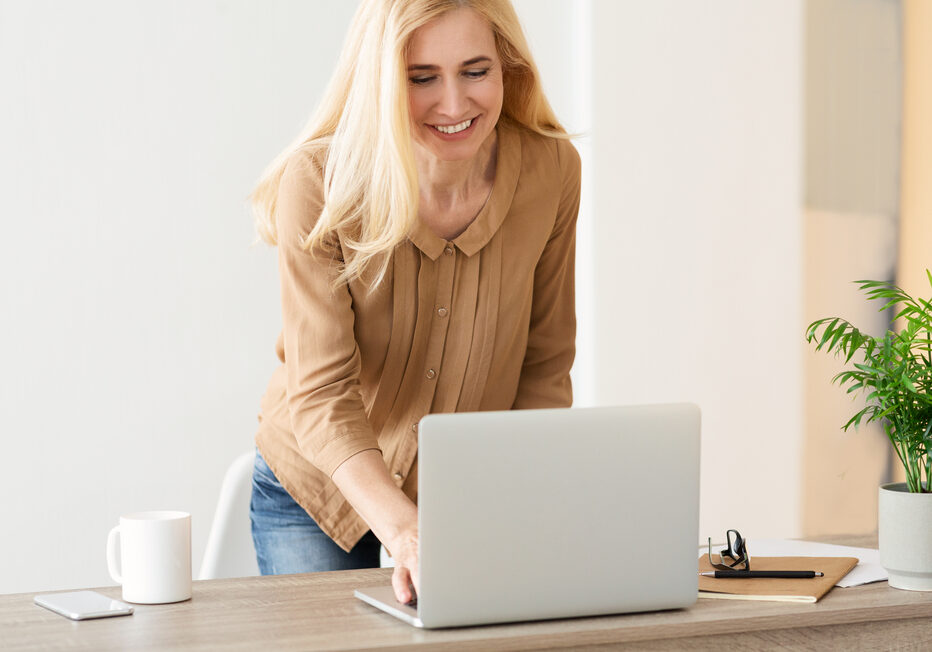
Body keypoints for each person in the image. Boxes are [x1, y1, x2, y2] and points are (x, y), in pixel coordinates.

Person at [248, 0, 581, 605]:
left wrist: (525, 499)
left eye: (476, 71)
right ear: (380, 78)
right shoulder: (319, 183)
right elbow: (321, 393)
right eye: (420, 77)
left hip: (460, 491)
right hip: (319, 485)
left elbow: (545, 364)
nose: (453, 105)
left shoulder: (552, 170)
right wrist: (406, 532)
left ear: (507, 65)